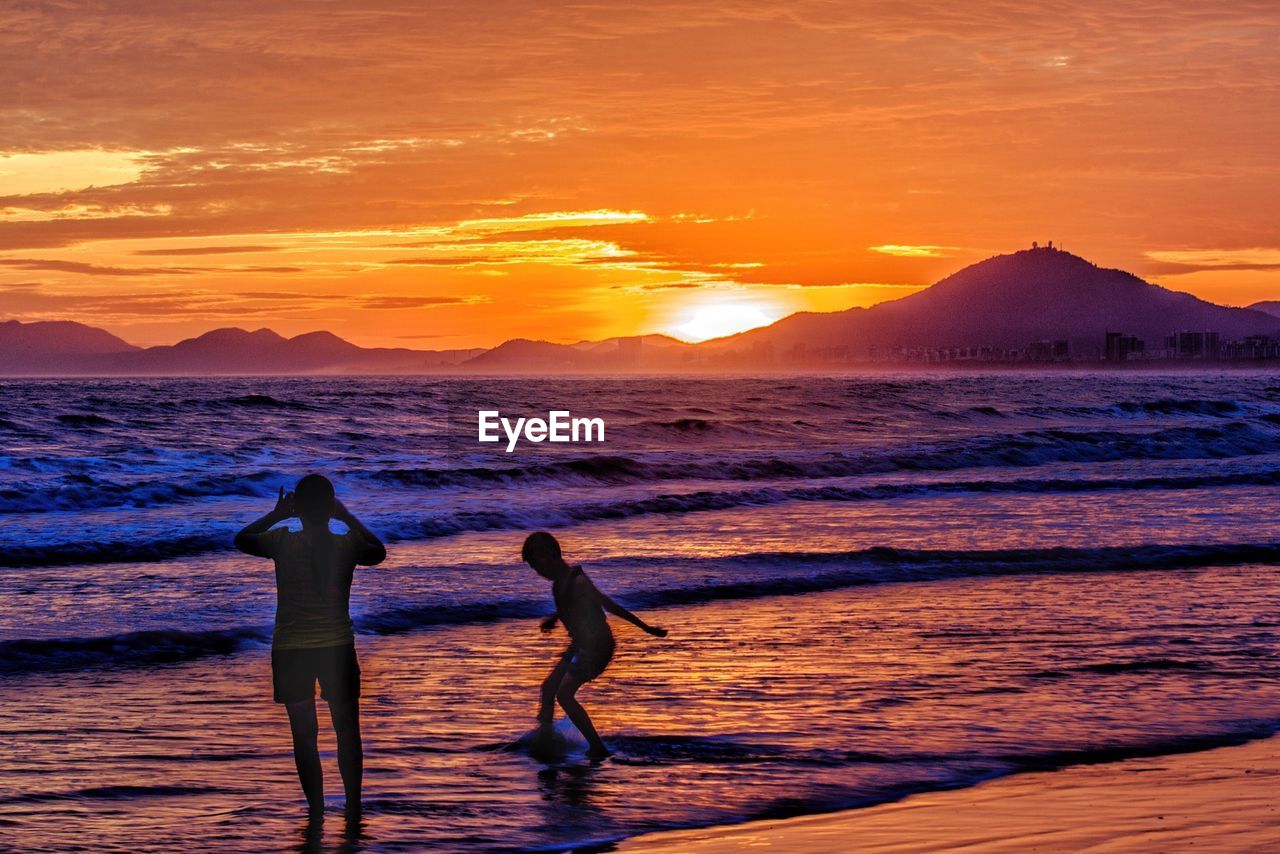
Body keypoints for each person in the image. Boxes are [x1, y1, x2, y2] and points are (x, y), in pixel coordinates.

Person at [234, 475, 386, 817]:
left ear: (297, 508)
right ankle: (353, 807)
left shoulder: (282, 541)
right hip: (337, 647)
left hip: (291, 650)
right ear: (330, 507)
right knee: (347, 733)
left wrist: (276, 514)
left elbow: (241, 539)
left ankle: (316, 811)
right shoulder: (347, 545)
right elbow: (379, 552)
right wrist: (347, 517)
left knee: (304, 737)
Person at [523, 531, 667, 759]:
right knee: (548, 688)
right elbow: (568, 607)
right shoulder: (558, 585)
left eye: (537, 566)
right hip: (580, 645)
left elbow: (609, 605)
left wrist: (645, 627)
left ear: (549, 555)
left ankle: (596, 747)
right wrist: (554, 617)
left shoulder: (578, 582)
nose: (538, 573)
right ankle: (546, 736)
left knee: (564, 695)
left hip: (597, 647)